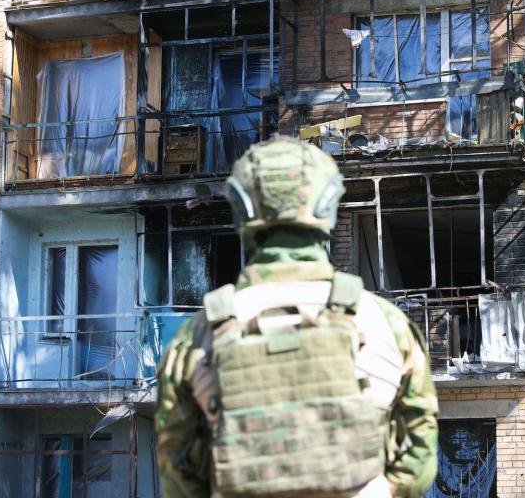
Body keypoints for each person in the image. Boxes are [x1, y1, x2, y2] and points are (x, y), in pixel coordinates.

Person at [155, 136, 439, 498]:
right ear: (327, 203)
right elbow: (420, 453)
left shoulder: (196, 337)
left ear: (242, 208)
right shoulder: (386, 323)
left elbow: (176, 470)